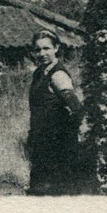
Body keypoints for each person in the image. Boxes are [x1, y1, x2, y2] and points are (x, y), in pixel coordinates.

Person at [26, 29, 87, 195]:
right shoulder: (39, 73)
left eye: (46, 48)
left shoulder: (57, 74)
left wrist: (70, 129)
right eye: (37, 50)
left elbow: (75, 105)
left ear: (56, 48)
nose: (42, 53)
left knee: (56, 188)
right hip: (42, 138)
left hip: (57, 142)